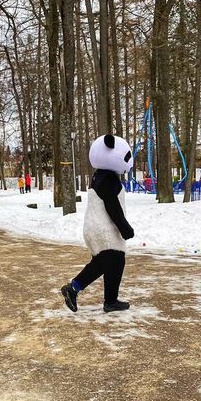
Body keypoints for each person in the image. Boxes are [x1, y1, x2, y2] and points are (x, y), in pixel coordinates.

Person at [61, 134, 134, 313]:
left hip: (97, 227)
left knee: (115, 260)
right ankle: (73, 288)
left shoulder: (101, 176)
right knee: (106, 261)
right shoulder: (108, 180)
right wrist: (125, 229)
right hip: (103, 229)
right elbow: (113, 207)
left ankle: (111, 300)